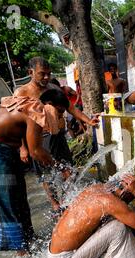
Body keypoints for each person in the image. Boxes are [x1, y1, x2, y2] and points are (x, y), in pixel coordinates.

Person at [0, 89, 69, 255]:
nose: (59, 117)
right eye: (59, 112)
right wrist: (59, 167)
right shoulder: (36, 111)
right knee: (6, 199)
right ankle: (21, 250)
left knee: (19, 196)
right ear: (49, 105)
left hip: (3, 148)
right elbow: (36, 152)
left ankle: (29, 238)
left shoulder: (32, 107)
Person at [14, 57, 100, 212]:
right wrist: (22, 148)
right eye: (42, 74)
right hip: (38, 139)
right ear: (30, 72)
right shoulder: (22, 92)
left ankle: (69, 198)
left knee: (68, 167)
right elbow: (18, 123)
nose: (46, 77)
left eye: (48, 73)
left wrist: (88, 120)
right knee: (45, 172)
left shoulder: (53, 88)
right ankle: (55, 203)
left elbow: (70, 108)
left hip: (58, 135)